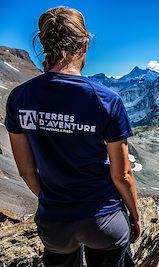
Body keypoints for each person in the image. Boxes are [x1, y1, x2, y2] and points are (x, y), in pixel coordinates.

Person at [4, 6, 141, 267]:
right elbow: (122, 175)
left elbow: (27, 172)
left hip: (55, 224)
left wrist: (54, 202)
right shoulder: (107, 100)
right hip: (104, 220)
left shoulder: (19, 98)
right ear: (85, 44)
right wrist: (135, 216)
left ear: (44, 45)